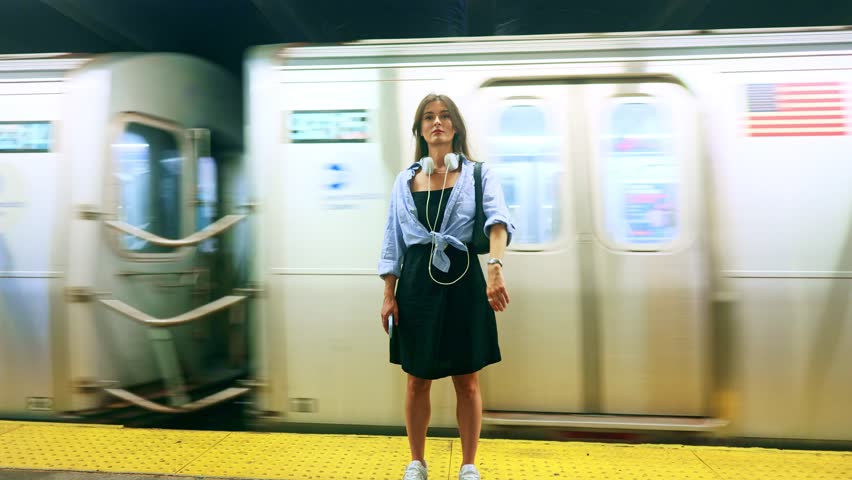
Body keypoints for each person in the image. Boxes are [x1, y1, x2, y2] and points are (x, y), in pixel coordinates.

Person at [378, 93, 514, 480]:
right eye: (428, 117)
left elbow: (498, 222)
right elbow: (393, 240)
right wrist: (389, 294)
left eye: (444, 116)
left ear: (456, 127)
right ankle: (417, 461)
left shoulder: (477, 174)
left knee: (467, 378)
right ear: (420, 129)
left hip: (464, 282)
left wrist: (495, 267)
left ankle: (468, 464)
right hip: (417, 284)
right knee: (417, 378)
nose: (437, 123)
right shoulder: (405, 182)